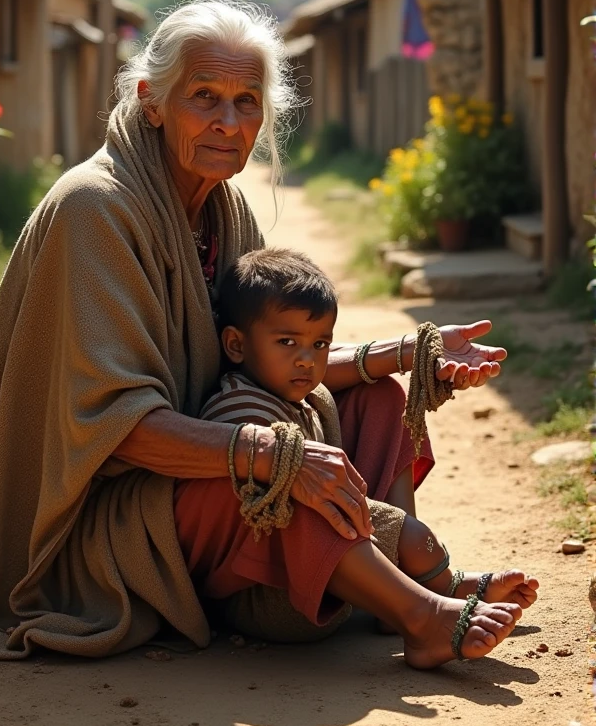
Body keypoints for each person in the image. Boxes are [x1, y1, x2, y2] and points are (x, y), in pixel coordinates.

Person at [0, 0, 523, 668]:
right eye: (204, 97)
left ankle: (391, 582)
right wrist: (268, 455)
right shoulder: (94, 208)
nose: (228, 123)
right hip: (108, 522)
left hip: (198, 480)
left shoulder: (224, 209)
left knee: (376, 401)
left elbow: (269, 358)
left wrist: (407, 353)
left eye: (247, 102)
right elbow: (120, 425)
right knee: (282, 461)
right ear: (152, 100)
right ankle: (419, 608)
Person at [200, 246, 538, 615]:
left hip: (319, 573)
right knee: (409, 536)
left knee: (383, 393)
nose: (306, 359)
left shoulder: (292, 394)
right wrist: (406, 536)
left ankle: (413, 583)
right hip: (268, 594)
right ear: (235, 344)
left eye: (320, 344)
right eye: (287, 342)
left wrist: (420, 352)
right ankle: (432, 593)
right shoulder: (241, 410)